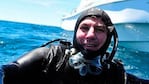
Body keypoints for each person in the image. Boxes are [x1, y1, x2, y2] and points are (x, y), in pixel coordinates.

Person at [1, 7, 149, 84]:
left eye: (99, 29)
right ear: (75, 31)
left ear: (109, 37)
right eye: (84, 28)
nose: (90, 35)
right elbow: (7, 70)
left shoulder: (114, 74)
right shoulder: (50, 57)